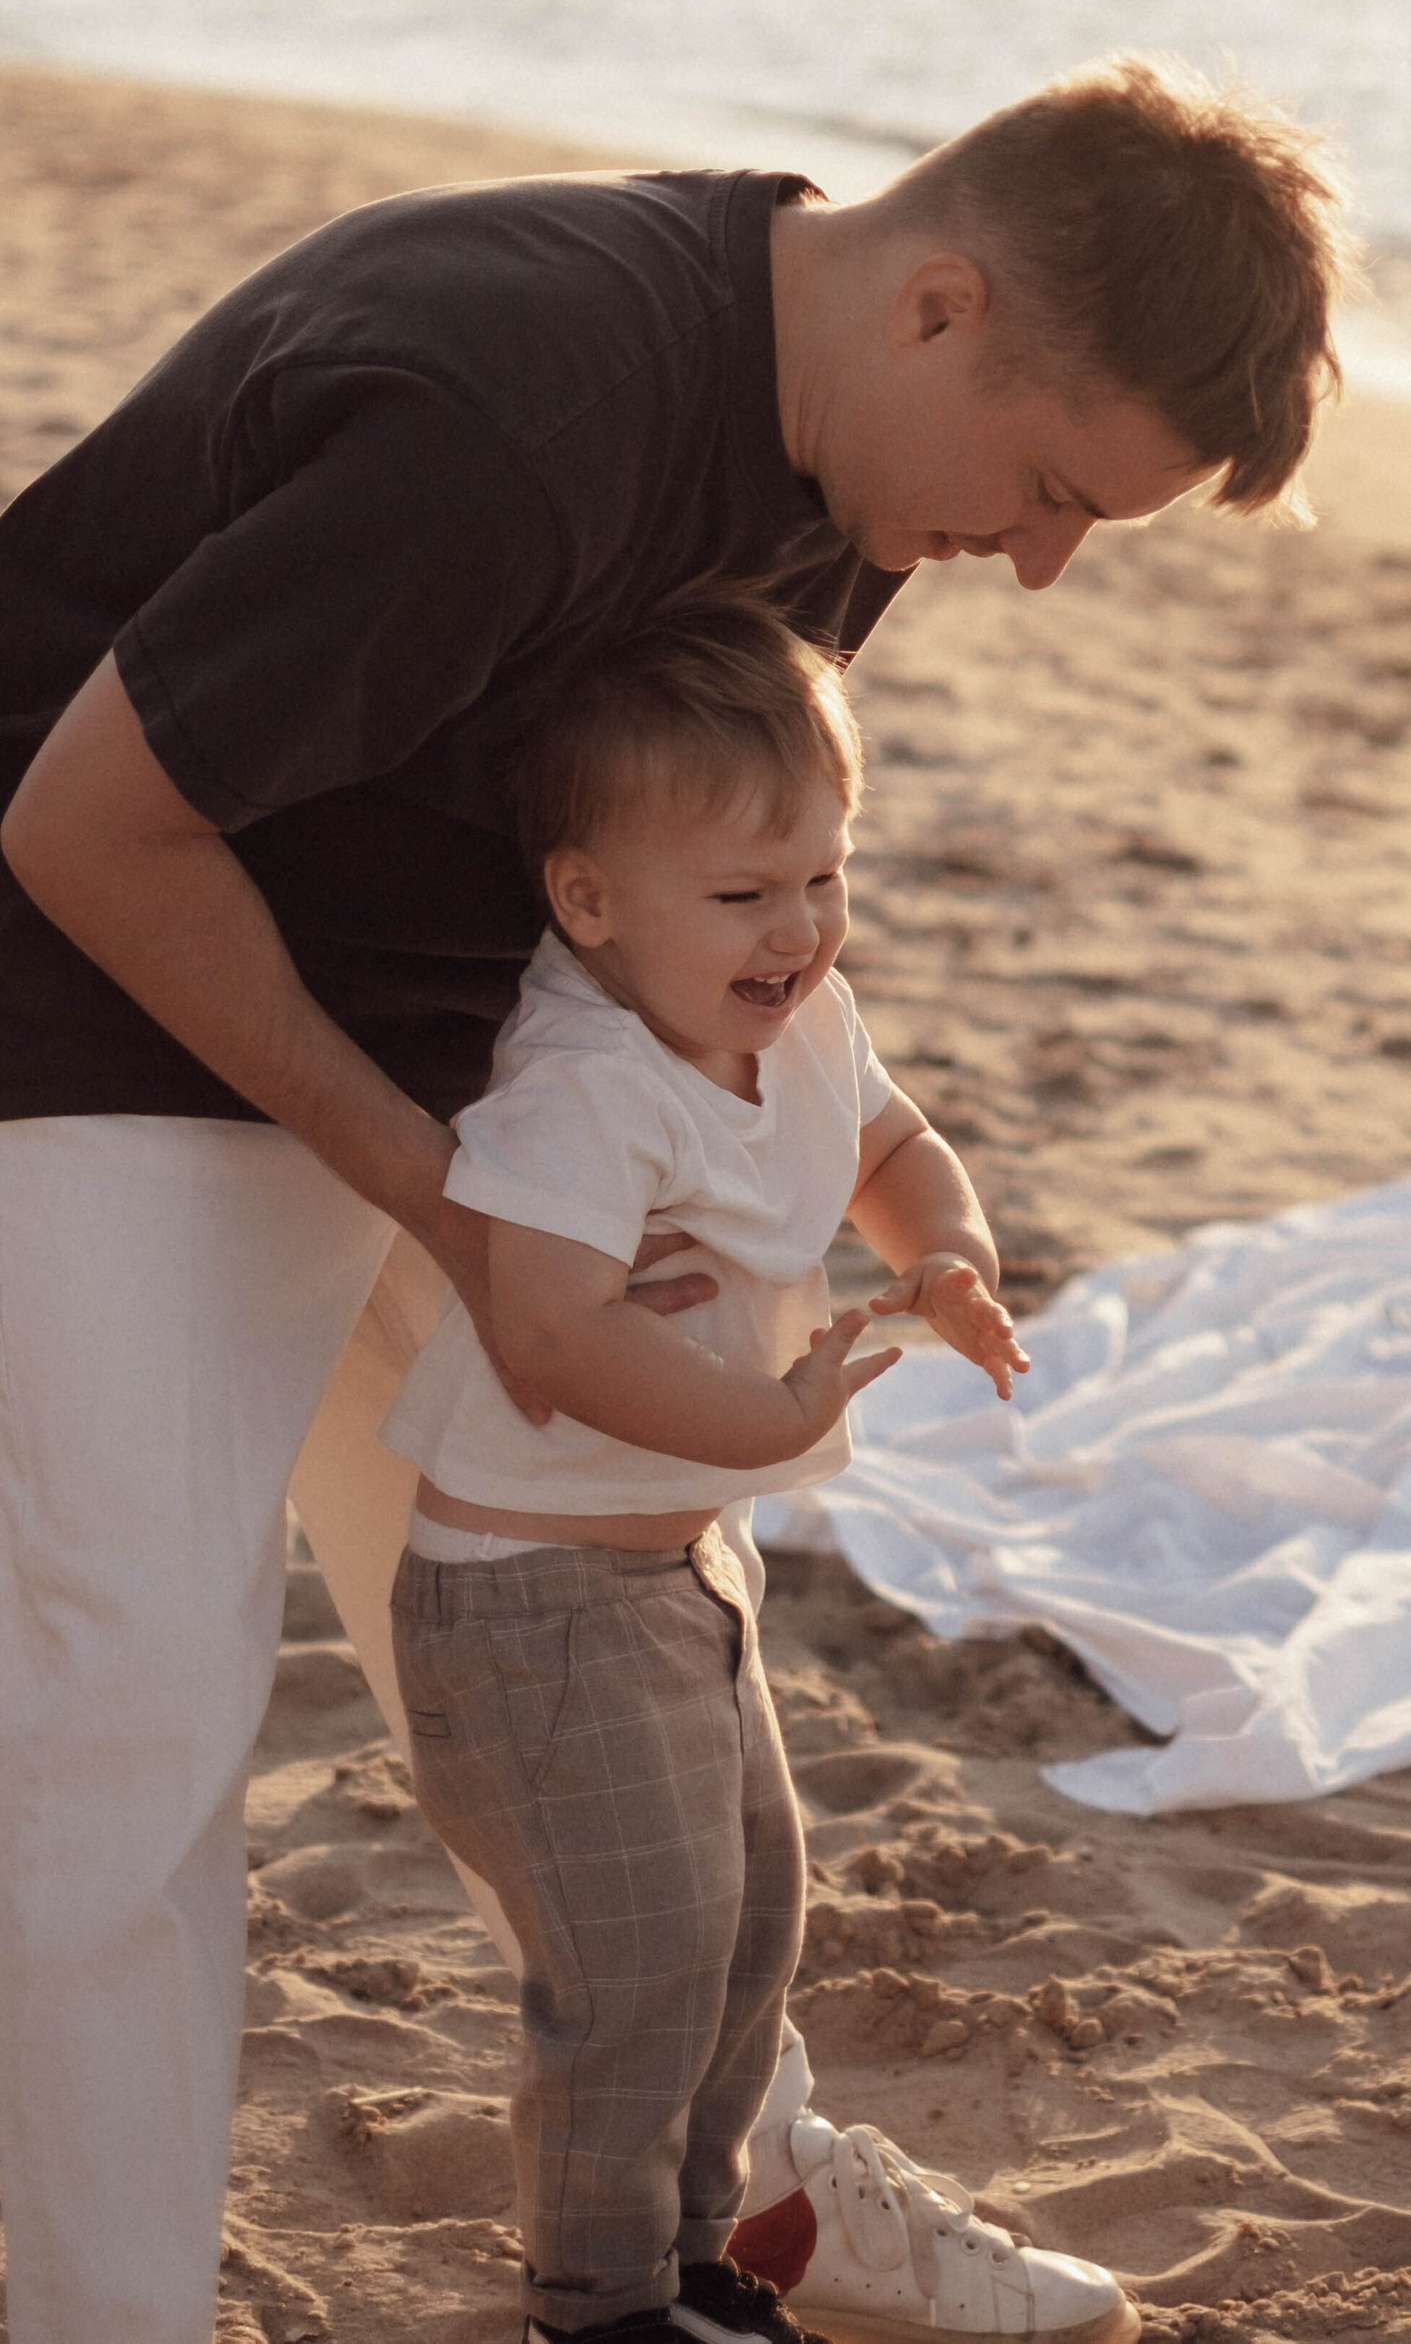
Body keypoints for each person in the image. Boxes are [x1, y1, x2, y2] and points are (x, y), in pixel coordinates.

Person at [0, 54, 1350, 2344]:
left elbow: (688, 877)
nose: (1035, 564)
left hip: (468, 1058)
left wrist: (804, 1160)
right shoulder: (518, 410)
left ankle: (754, 2199)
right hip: (94, 995)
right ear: (938, 305)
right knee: (129, 1695)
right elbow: (82, 827)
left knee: (610, 1664)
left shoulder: (848, 457)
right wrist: (451, 1203)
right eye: (1047, 491)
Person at [386, 588, 1113, 2344]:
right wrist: (776, 1427)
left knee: (746, 1924)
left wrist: (945, 1252)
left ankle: (708, 2255)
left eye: (824, 876)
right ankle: (604, 2298)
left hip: (675, 1571)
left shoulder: (791, 1014)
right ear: (590, 900)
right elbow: (553, 1333)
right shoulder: (581, 1085)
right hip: (536, 1608)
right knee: (631, 1976)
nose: (797, 930)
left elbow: (895, 1140)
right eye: (742, 896)